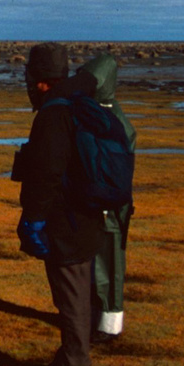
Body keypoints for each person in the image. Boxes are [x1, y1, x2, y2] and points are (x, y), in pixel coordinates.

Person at [11, 42, 121, 366]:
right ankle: (73, 353)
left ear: (40, 80)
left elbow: (46, 173)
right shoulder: (78, 101)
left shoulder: (53, 114)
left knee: (70, 294)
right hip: (87, 215)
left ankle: (74, 365)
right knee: (80, 290)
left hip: (65, 220)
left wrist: (33, 219)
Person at [77, 53, 136, 343]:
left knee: (108, 264)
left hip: (109, 205)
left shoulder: (108, 119)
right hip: (108, 202)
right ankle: (99, 318)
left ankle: (108, 325)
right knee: (100, 262)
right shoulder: (107, 114)